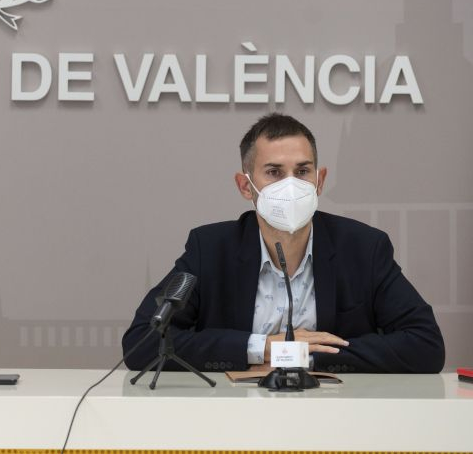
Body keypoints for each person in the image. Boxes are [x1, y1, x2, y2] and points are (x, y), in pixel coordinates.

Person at [122, 113, 445, 374]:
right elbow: (142, 342)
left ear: (319, 180)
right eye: (274, 172)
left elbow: (426, 345)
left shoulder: (363, 248)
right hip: (235, 417)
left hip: (335, 416)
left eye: (302, 171)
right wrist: (262, 347)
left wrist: (304, 355)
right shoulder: (210, 249)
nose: (290, 185)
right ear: (245, 186)